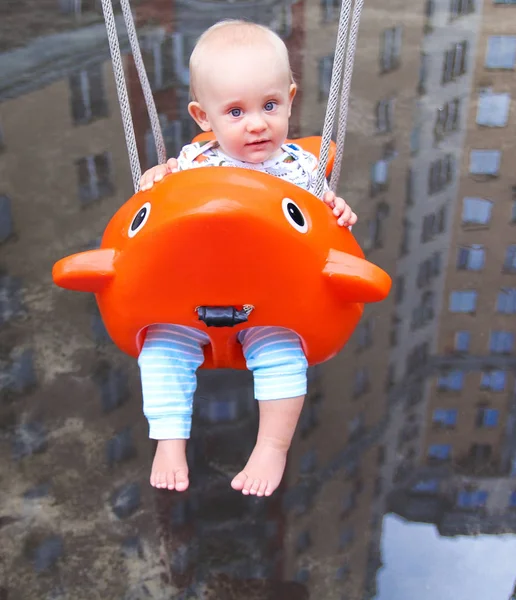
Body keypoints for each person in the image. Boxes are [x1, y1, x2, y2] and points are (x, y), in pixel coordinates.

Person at [137, 19, 357, 496]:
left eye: (270, 105)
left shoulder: (302, 169)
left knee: (284, 358)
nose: (257, 123)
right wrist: (154, 176)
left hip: (271, 300)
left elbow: (321, 221)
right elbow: (156, 209)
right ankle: (169, 440)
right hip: (192, 294)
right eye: (235, 112)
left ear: (291, 99)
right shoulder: (193, 164)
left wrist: (336, 206)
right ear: (203, 117)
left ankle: (271, 447)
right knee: (159, 349)